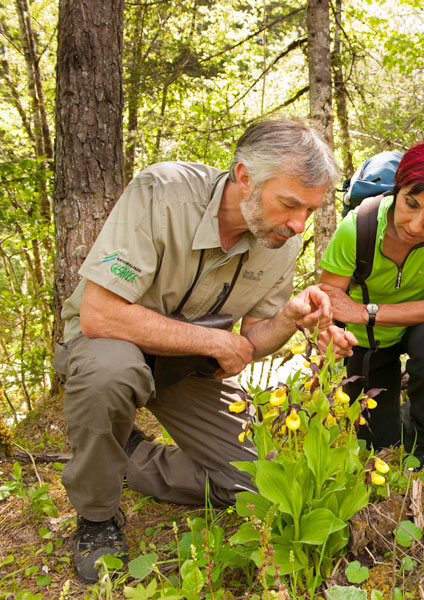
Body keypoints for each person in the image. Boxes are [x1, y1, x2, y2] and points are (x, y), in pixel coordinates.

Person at [53, 117, 350, 584]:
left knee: (257, 482)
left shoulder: (280, 241)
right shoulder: (163, 193)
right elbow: (100, 314)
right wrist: (214, 340)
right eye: (290, 204)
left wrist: (289, 319)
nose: (298, 224)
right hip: (112, 346)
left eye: (310, 211)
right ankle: (96, 516)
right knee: (112, 372)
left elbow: (250, 343)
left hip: (186, 368)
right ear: (244, 175)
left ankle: (124, 457)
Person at [317, 139, 424, 465]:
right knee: (377, 441)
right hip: (372, 337)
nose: (416, 226)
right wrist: (331, 331)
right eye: (411, 204)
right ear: (398, 188)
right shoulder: (357, 228)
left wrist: (365, 312)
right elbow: (328, 297)